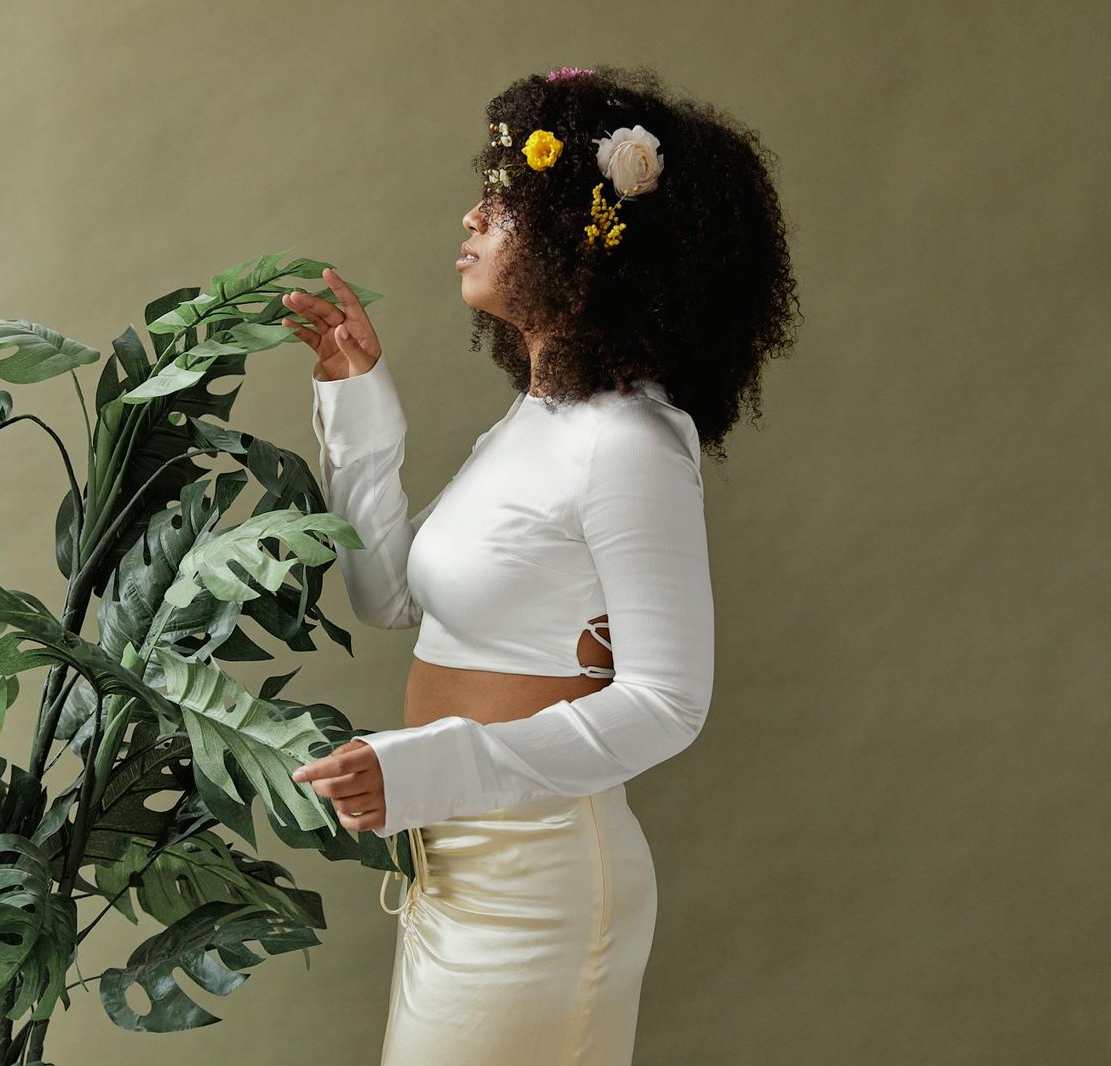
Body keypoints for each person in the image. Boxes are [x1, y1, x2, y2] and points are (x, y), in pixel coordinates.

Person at [283, 63, 799, 1066]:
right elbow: (391, 593)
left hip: (539, 888)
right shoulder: (536, 420)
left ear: (587, 242)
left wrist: (429, 765)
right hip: (453, 868)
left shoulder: (628, 442)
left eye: (509, 199)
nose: (475, 214)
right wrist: (359, 403)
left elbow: (667, 703)